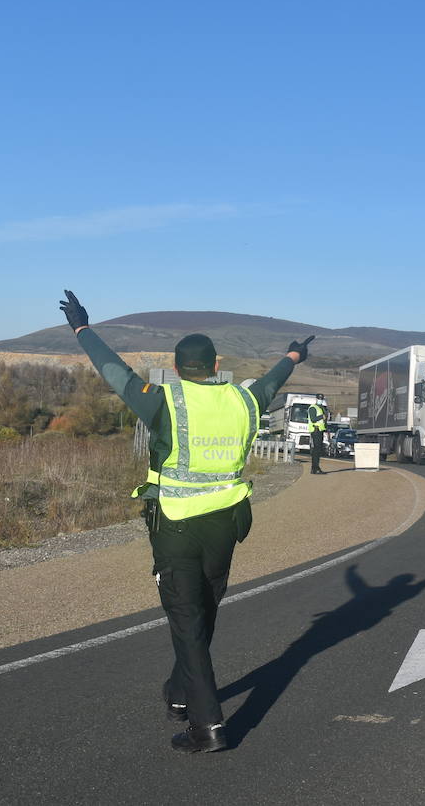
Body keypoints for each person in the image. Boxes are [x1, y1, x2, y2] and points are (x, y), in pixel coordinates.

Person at [58, 290, 314, 754]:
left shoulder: (162, 402)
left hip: (175, 522)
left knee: (186, 620)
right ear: (216, 366)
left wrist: (82, 329)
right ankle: (181, 692)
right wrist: (293, 355)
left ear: (177, 368)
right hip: (227, 521)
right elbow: (273, 381)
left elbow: (113, 371)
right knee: (205, 608)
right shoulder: (245, 400)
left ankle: (208, 725)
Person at [308, 395, 328, 475]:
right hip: (315, 430)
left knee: (318, 450)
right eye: (319, 399)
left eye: (321, 399)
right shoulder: (313, 408)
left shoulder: (322, 408)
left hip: (320, 430)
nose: (320, 400)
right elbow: (313, 419)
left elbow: (324, 420)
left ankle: (315, 468)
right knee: (316, 450)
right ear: (316, 399)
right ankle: (315, 468)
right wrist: (321, 416)